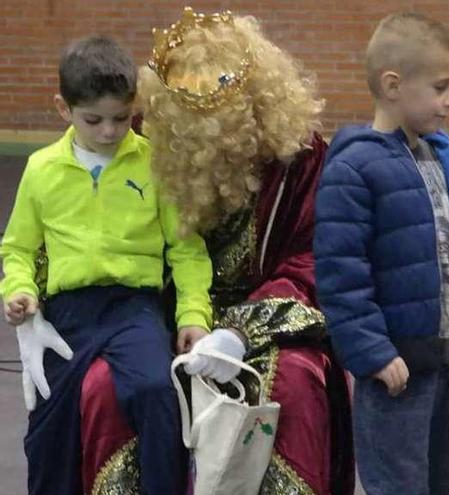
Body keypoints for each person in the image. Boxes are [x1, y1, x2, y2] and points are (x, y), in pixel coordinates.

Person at [77, 8, 354, 494]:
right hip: (157, 315)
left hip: (268, 325)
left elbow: (313, 257)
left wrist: (239, 334)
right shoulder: (136, 142)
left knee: (293, 383)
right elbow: (73, 216)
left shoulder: (297, 156)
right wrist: (32, 300)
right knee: (106, 385)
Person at [0, 35, 212, 494]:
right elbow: (16, 249)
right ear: (63, 109)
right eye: (92, 120)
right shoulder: (41, 170)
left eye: (121, 118)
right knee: (47, 424)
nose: (109, 132)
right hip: (68, 313)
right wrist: (19, 292)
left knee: (157, 393)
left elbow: (186, 250)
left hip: (133, 310)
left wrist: (193, 314)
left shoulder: (155, 163)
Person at [313, 12, 449, 495]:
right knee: (396, 485)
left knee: (433, 480)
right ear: (393, 84)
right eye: (441, 87)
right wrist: (373, 352)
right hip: (392, 371)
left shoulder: (442, 157)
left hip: (435, 362)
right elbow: (341, 275)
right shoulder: (353, 168)